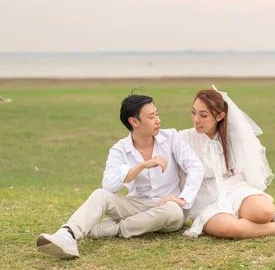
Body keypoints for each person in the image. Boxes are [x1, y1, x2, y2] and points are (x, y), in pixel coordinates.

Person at [36, 94, 204, 259]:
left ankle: (117, 228)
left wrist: (182, 199)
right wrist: (141, 166)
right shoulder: (119, 149)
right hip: (136, 204)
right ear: (134, 122)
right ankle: (68, 235)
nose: (158, 120)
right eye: (151, 117)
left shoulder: (172, 138)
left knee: (173, 211)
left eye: (157, 114)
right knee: (100, 195)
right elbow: (109, 186)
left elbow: (195, 167)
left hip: (167, 208)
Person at [180, 86, 275, 238]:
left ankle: (274, 217)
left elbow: (245, 168)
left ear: (220, 116)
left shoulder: (232, 138)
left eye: (203, 115)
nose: (196, 120)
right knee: (231, 229)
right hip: (205, 199)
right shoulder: (184, 139)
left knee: (265, 212)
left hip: (233, 188)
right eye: (193, 112)